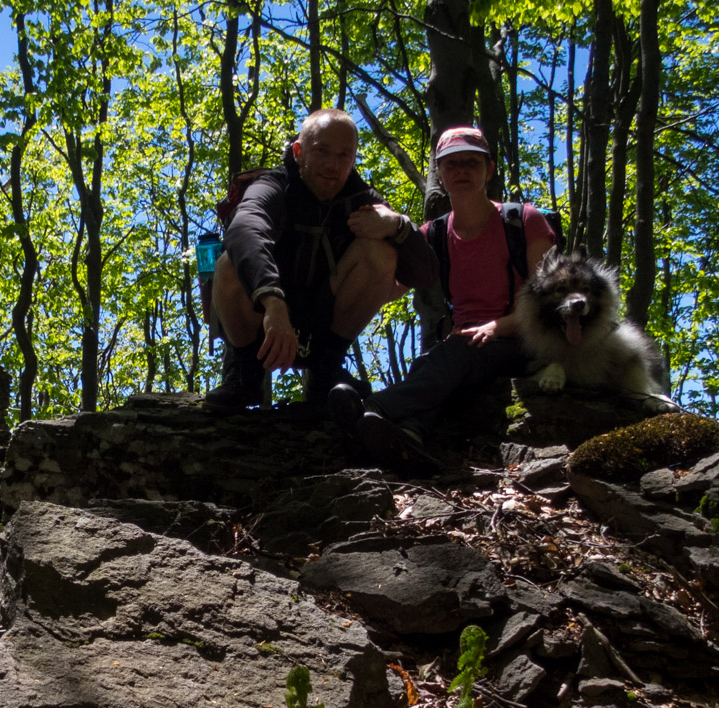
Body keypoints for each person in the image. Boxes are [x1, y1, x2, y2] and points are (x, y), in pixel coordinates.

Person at [329, 125, 556, 473]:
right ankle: (407, 437)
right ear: (439, 171)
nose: (461, 171)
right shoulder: (433, 234)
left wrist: (496, 327)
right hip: (465, 349)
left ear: (489, 170)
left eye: (471, 163)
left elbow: (547, 304)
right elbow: (386, 289)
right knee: (432, 362)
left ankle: (374, 407)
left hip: (525, 341)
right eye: (451, 164)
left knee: (453, 352)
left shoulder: (525, 221)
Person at [209, 108, 436, 409]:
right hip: (264, 321)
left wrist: (398, 226)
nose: (333, 164)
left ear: (353, 159)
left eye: (344, 155)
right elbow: (244, 227)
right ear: (299, 152)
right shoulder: (273, 186)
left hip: (321, 326)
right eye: (322, 151)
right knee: (229, 263)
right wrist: (272, 302)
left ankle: (326, 375)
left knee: (381, 252)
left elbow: (426, 275)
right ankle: (243, 377)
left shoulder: (361, 198)